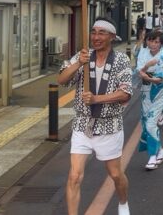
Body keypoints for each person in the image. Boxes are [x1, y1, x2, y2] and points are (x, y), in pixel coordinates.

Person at [57, 18, 133, 215]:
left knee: (115, 174)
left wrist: (97, 98)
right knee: (74, 176)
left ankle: (123, 202)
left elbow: (125, 93)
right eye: (93, 32)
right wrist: (78, 64)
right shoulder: (83, 55)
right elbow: (62, 79)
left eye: (101, 33)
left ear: (112, 37)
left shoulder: (121, 60)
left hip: (109, 125)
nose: (96, 37)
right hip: (83, 124)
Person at [135, 31, 163, 170]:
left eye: (156, 42)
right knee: (145, 123)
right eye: (151, 41)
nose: (153, 44)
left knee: (151, 123)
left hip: (159, 92)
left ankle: (152, 155)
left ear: (161, 44)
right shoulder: (143, 52)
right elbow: (139, 70)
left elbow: (161, 78)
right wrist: (145, 69)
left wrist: (148, 76)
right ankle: (160, 150)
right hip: (146, 92)